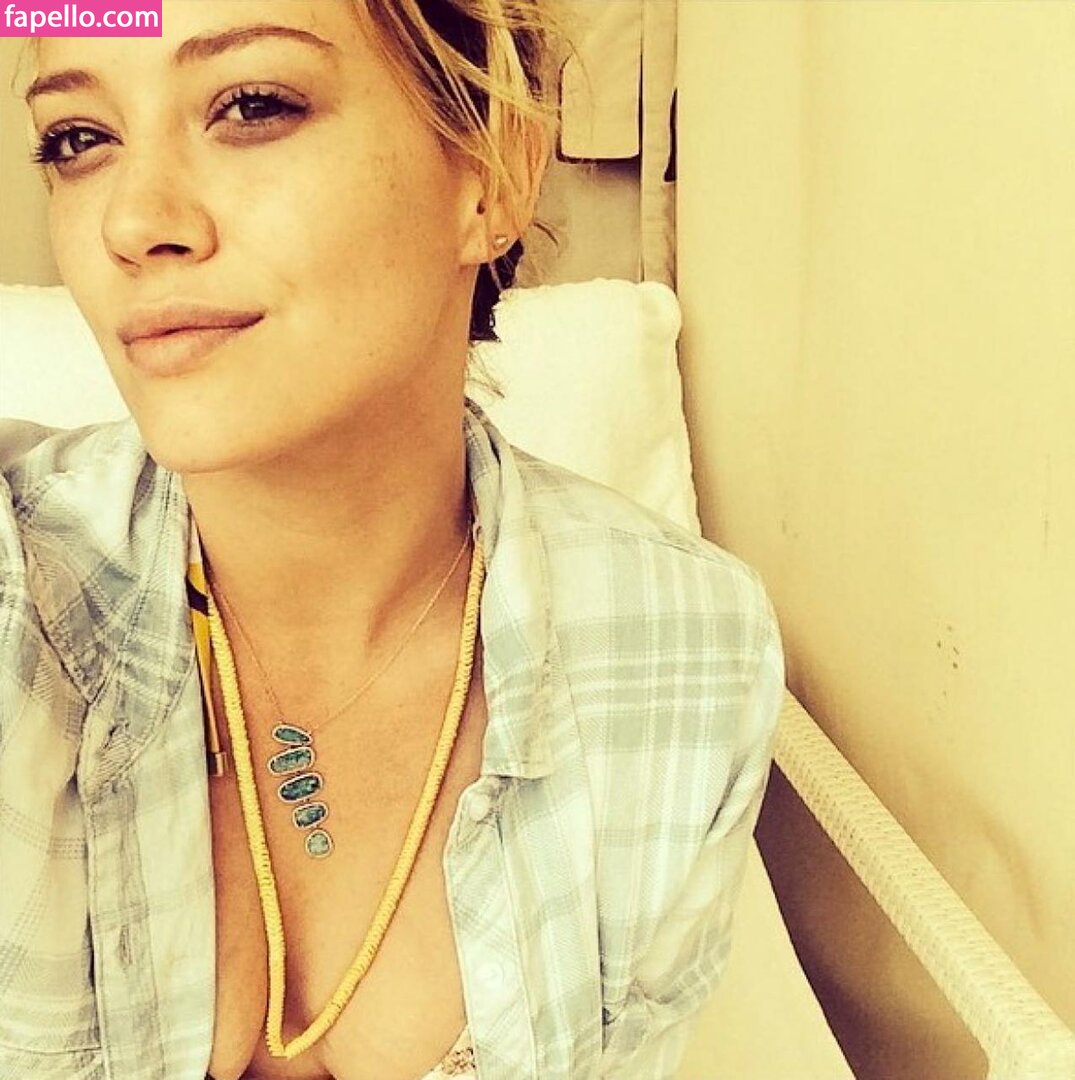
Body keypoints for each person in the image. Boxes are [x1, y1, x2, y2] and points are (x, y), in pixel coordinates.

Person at [0, 2, 785, 1078]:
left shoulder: (686, 653)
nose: (133, 223)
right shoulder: (25, 597)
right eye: (78, 139)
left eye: (252, 105)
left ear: (492, 174)